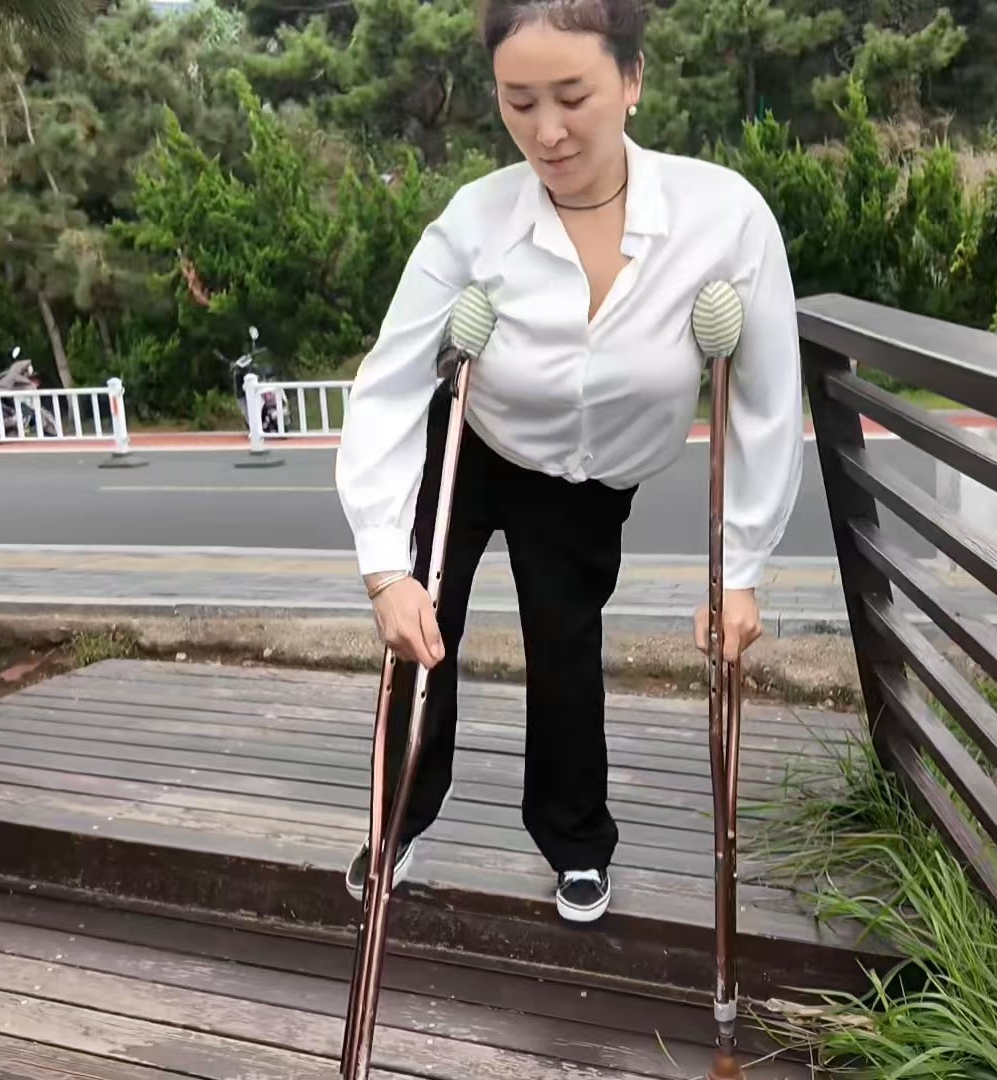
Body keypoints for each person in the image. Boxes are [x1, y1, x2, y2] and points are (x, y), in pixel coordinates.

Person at [333, 0, 804, 925]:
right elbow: (387, 383)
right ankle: (398, 820)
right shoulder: (475, 221)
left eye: (572, 96)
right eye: (518, 103)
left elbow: (766, 397)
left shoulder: (724, 218)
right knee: (422, 638)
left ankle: (576, 842)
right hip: (473, 445)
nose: (545, 132)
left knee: (565, 646)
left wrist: (741, 568)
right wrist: (385, 568)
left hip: (587, 481)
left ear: (632, 81)